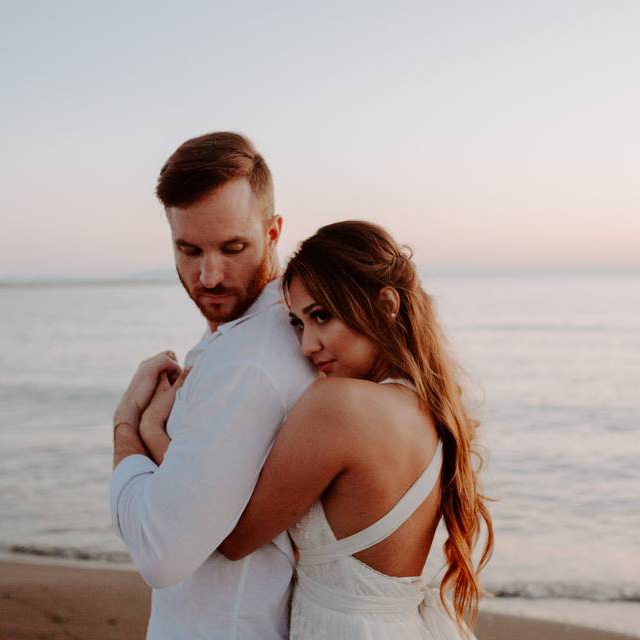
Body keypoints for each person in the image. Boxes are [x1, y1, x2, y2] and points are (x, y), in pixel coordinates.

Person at [137, 221, 495, 638]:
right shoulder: (433, 406)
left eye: (321, 316)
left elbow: (230, 536)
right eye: (297, 323)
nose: (307, 345)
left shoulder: (339, 406)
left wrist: (149, 430)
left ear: (386, 304)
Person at [110, 131, 318, 639]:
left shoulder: (250, 363)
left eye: (233, 248)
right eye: (188, 249)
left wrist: (125, 428)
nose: (208, 276)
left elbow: (160, 553)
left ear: (274, 232)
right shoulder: (248, 340)